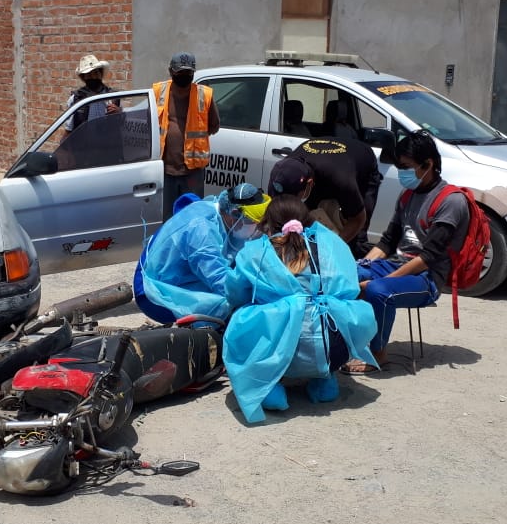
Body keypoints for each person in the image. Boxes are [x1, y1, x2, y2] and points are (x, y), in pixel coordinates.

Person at [224, 195, 378, 423]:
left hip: (285, 349)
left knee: (243, 321)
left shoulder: (256, 251)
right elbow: (350, 290)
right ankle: (325, 380)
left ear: (268, 223)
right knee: (333, 317)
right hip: (334, 345)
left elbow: (235, 293)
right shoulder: (333, 243)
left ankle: (269, 390)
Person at [345, 130, 469, 374]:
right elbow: (387, 243)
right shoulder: (408, 195)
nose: (401, 172)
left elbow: (428, 258)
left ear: (428, 165)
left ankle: (377, 354)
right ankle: (345, 345)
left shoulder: (451, 202)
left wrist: (378, 280)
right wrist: (361, 266)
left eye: (405, 166)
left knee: (377, 290)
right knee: (346, 275)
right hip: (397, 264)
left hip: (427, 278)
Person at [135, 183, 270, 324]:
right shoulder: (201, 231)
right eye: (252, 222)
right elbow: (221, 281)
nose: (256, 227)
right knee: (228, 311)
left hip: (187, 273)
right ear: (234, 214)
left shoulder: (221, 214)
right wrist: (257, 297)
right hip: (153, 289)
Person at [267, 136, 383, 256]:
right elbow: (274, 215)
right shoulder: (279, 173)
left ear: (310, 184)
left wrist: (328, 250)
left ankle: (356, 262)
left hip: (361, 163)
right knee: (305, 220)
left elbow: (358, 219)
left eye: (294, 199)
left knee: (356, 239)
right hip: (324, 163)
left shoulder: (342, 180)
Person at [154, 52, 221, 220]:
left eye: (188, 73)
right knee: (167, 218)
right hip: (165, 169)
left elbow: (214, 125)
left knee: (193, 216)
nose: (184, 76)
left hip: (192, 171)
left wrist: (195, 139)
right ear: (171, 72)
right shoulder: (158, 92)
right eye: (180, 73)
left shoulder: (204, 95)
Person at [63, 54, 120, 137]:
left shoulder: (114, 97)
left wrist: (119, 113)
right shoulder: (76, 99)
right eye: (89, 74)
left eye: (96, 73)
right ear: (84, 77)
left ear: (101, 74)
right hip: (85, 146)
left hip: (109, 146)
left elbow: (123, 124)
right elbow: (69, 129)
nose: (93, 77)